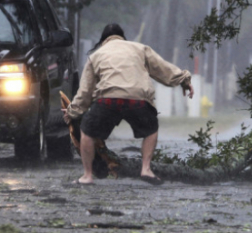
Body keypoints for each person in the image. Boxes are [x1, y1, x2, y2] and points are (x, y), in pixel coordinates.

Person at [63, 24, 194, 185]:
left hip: (107, 100)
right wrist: (184, 80)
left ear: (103, 41)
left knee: (87, 131)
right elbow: (163, 69)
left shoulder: (96, 56)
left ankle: (87, 175)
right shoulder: (140, 49)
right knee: (151, 129)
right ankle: (146, 169)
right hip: (137, 100)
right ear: (123, 38)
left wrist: (72, 112)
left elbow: (85, 93)